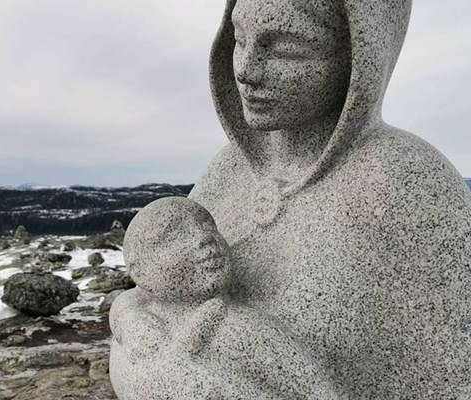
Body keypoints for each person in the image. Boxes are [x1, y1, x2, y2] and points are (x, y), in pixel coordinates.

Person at [111, 0, 471, 398]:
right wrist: (127, 319)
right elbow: (154, 287)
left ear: (359, 56)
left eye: (285, 49)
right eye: (240, 39)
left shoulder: (405, 178)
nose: (246, 70)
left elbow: (457, 363)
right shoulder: (229, 169)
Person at [111, 197, 340, 399]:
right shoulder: (145, 322)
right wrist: (127, 318)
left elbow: (317, 388)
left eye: (208, 225)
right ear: (139, 272)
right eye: (178, 235)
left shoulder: (241, 326)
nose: (205, 238)